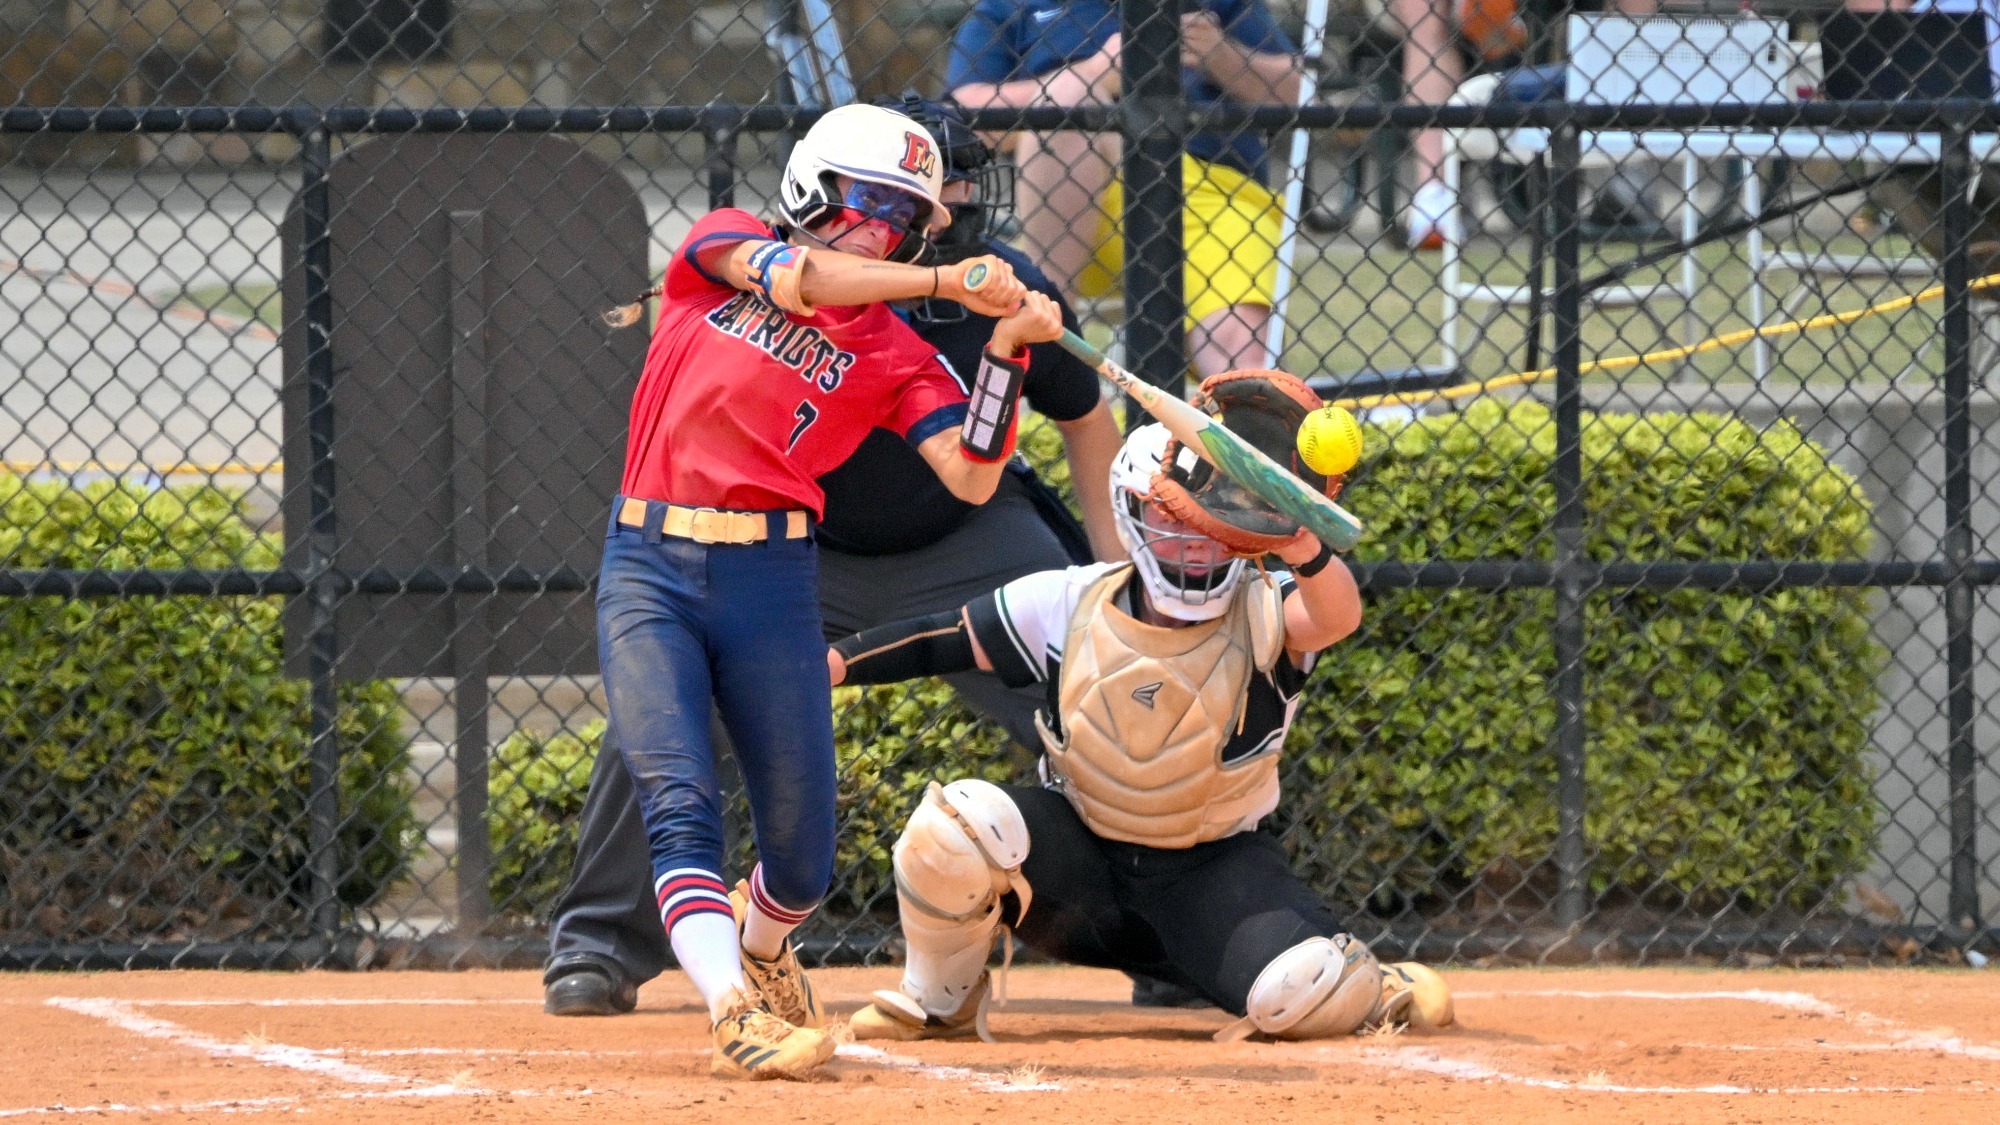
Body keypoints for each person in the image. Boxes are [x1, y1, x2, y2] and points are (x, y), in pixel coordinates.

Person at [540, 98, 1122, 1031]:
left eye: (916, 207)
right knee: (665, 731)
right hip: (793, 557)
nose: (899, 225)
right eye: (876, 202)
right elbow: (804, 278)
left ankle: (1168, 925)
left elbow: (978, 470)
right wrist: (937, 275)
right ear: (814, 187)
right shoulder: (733, 246)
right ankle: (603, 942)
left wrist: (1007, 350)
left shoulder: (973, 296)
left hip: (950, 545)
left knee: (1096, 678)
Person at [826, 374, 1455, 1044]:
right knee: (951, 826)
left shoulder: (1263, 605)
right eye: (1169, 517)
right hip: (1078, 876)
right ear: (1130, 514)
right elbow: (943, 638)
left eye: (1208, 518)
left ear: (1242, 524)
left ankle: (1374, 983)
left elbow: (1336, 615)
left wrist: (1299, 539)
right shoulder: (1069, 599)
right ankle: (939, 999)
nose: (1191, 540)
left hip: (1213, 878)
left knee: (1305, 993)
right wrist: (831, 662)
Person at [947, 0, 1300, 376]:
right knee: (1068, 94)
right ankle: (1047, 322)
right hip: (1074, 195)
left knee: (1246, 364)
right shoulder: (1013, 6)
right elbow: (963, 113)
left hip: (1212, 191)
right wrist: (1097, 71)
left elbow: (1298, 91)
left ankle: (1232, 421)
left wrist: (1221, 55)